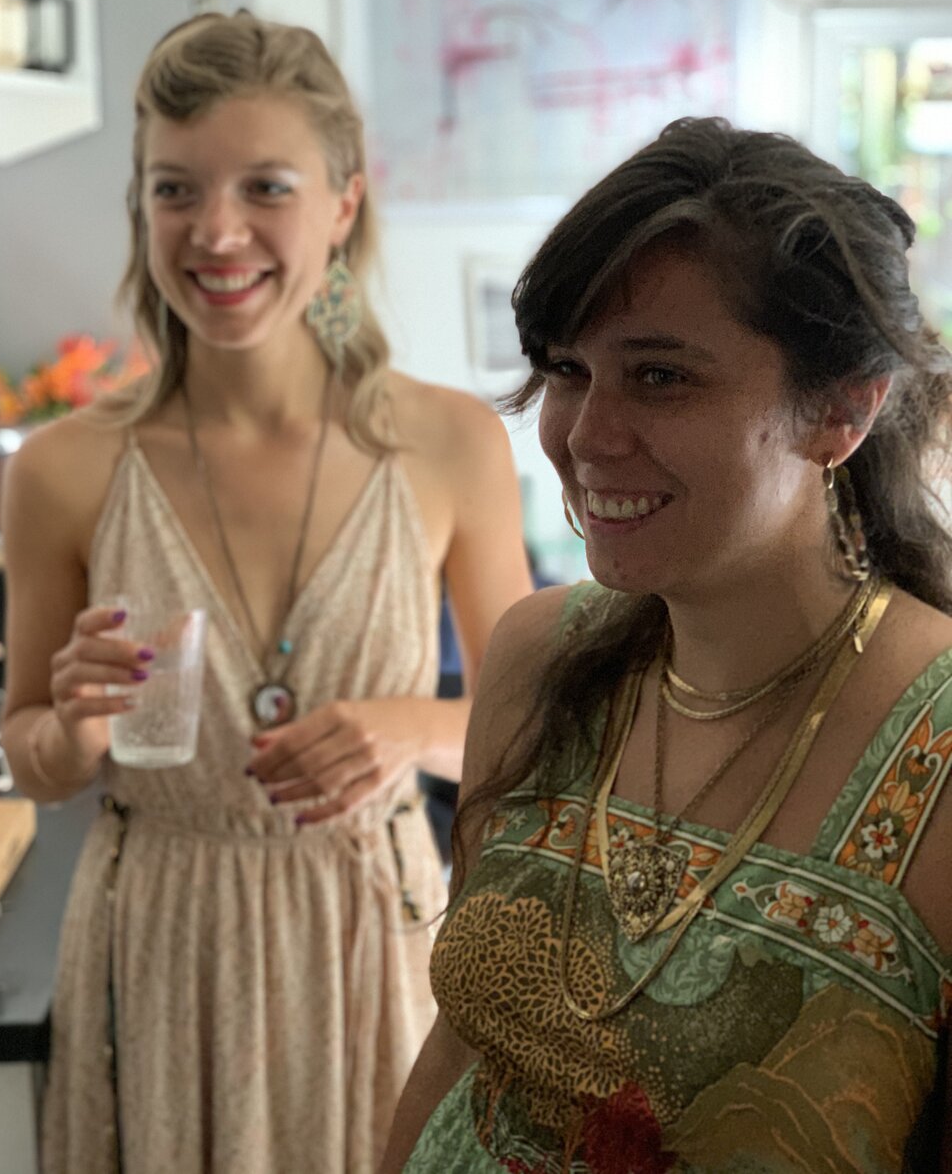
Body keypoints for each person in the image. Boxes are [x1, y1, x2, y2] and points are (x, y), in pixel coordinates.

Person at [0, 10, 533, 1174]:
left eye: (266, 187)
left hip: (374, 943)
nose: (217, 231)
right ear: (139, 210)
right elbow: (33, 755)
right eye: (174, 190)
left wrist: (404, 726)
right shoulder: (63, 468)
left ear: (344, 204)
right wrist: (75, 724)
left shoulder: (447, 443)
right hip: (154, 946)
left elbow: (531, 728)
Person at [382, 116, 952, 1173]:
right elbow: (459, 1051)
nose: (585, 435)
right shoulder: (538, 655)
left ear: (841, 411)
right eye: (566, 369)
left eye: (658, 377)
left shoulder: (936, 745)